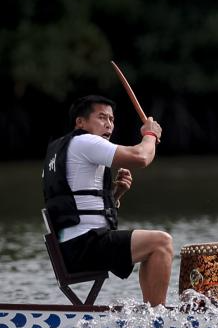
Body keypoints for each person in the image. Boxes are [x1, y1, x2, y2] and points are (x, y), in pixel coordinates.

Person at [42, 95, 173, 305]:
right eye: (102, 117)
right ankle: (158, 316)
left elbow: (78, 205)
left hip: (73, 248)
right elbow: (141, 157)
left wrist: (115, 194)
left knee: (153, 244)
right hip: (84, 246)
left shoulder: (63, 148)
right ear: (80, 122)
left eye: (111, 119)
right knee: (161, 242)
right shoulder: (85, 141)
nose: (108, 124)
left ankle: (152, 310)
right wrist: (150, 134)